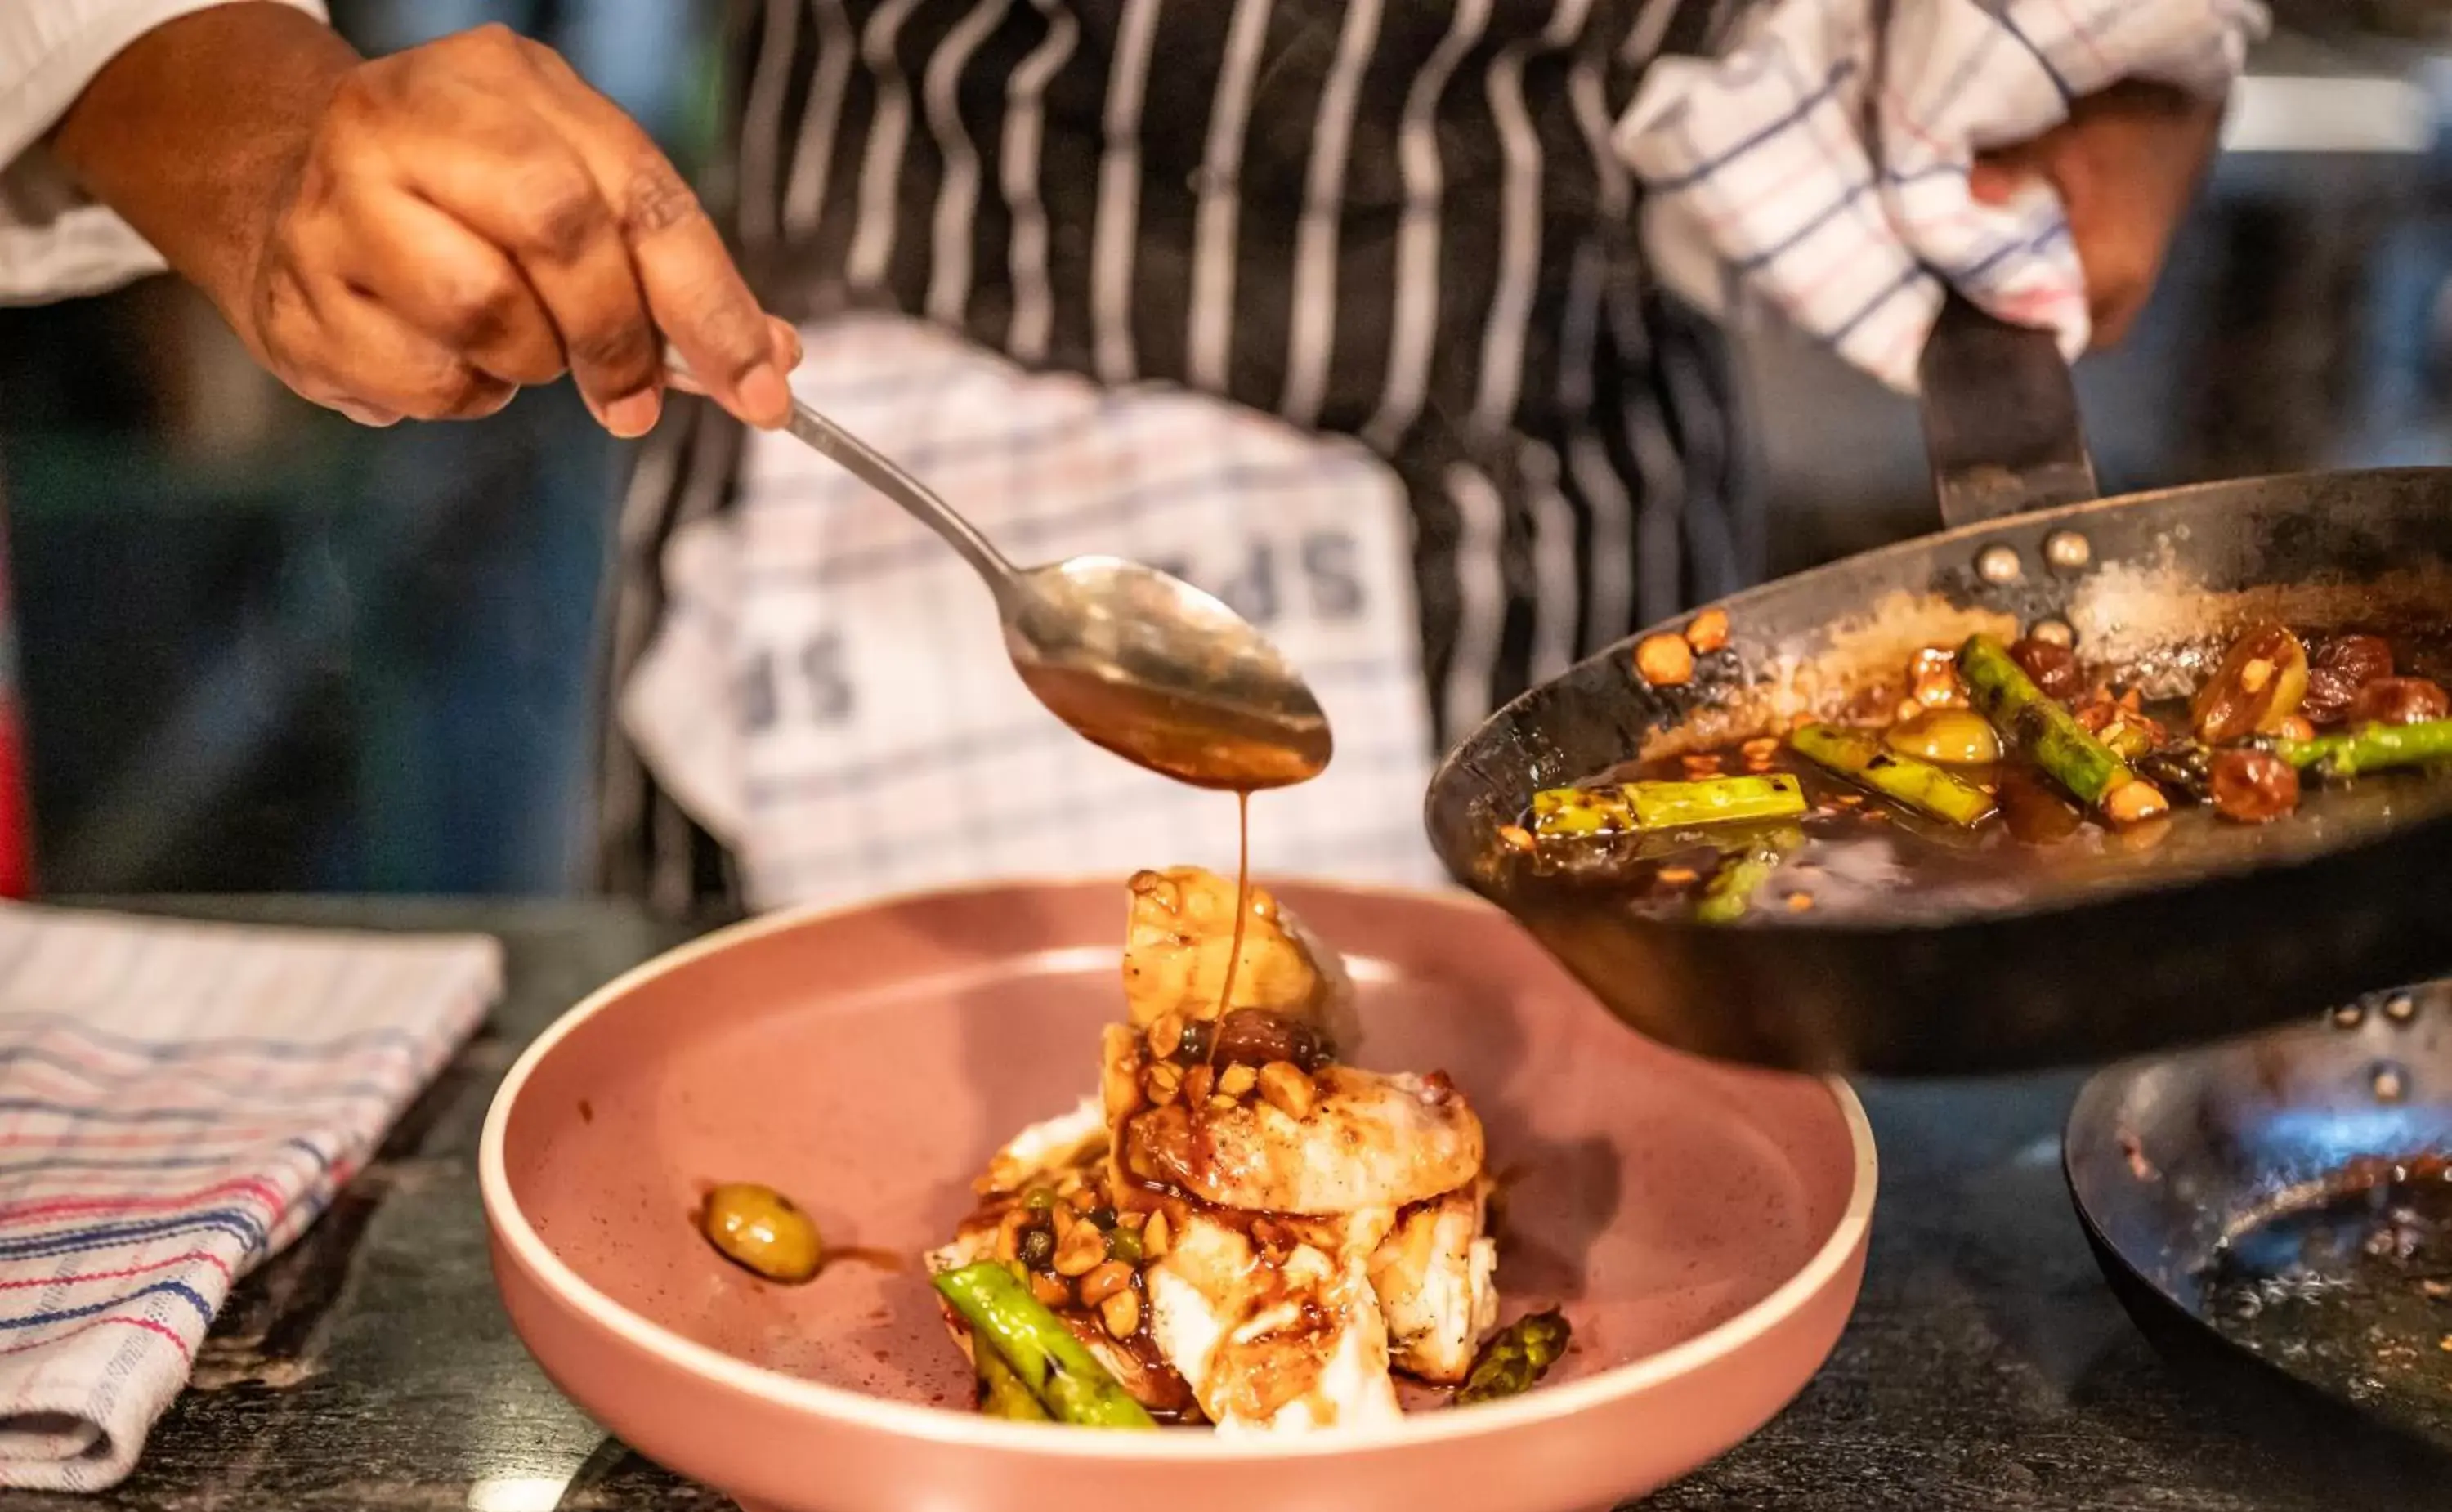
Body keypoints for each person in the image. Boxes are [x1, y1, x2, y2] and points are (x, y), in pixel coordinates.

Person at [1, 0, 2251, 914]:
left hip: (1533, 543)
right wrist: (273, 129)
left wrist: (2067, 90)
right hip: (843, 503)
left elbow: (2076, 105)